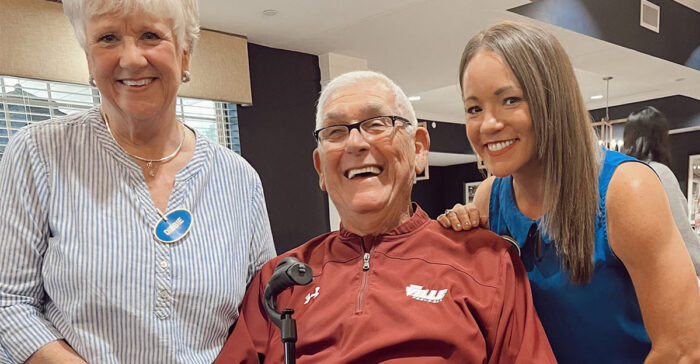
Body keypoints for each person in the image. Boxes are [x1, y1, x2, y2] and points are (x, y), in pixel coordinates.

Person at [214, 70, 556, 363]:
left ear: (419, 149)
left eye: (376, 124)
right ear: (320, 168)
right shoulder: (280, 280)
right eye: (335, 131)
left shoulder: (486, 262)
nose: (355, 143)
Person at [0, 0, 276, 363]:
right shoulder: (38, 153)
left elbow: (265, 311)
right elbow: (10, 303)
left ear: (185, 56)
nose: (130, 59)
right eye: (108, 37)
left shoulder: (239, 180)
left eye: (150, 36)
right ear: (88, 57)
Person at [437, 21, 700, 363]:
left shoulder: (625, 190)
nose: (488, 124)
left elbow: (682, 349)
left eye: (510, 100)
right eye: (474, 108)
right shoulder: (489, 198)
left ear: (552, 100)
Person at [622, 106, 700, 277]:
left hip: (626, 276)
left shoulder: (620, 173)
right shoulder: (658, 173)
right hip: (656, 277)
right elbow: (683, 237)